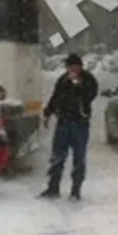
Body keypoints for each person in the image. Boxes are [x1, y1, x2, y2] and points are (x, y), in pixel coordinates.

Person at [39, 52, 98, 201]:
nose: (71, 70)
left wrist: (78, 85)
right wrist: (48, 112)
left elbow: (88, 96)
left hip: (79, 123)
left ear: (79, 67)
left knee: (79, 157)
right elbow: (56, 97)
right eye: (68, 67)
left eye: (73, 67)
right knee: (57, 156)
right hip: (63, 122)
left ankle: (76, 190)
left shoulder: (89, 80)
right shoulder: (62, 80)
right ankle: (53, 187)